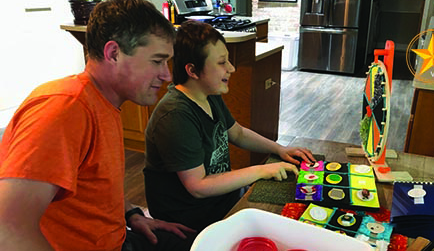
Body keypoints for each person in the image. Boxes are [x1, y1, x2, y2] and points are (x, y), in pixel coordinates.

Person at [0, 0, 196, 250]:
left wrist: (132, 215)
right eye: (157, 61)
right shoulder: (64, 109)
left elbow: (92, 188)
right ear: (113, 53)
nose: (167, 75)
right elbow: (7, 229)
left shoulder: (103, 102)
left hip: (120, 238)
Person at [143, 20, 316, 232]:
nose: (231, 69)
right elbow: (198, 186)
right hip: (191, 219)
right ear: (193, 71)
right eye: (222, 62)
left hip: (220, 202)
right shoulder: (176, 115)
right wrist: (261, 170)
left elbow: (238, 133)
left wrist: (279, 149)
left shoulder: (208, 94)